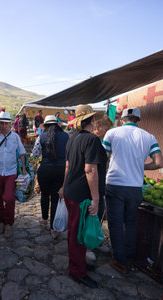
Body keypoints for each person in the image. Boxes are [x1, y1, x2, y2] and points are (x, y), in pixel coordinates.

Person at [102, 107, 163, 275]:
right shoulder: (149, 137)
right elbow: (159, 163)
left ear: (122, 119)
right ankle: (129, 258)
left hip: (115, 184)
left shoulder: (112, 133)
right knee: (130, 223)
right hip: (135, 188)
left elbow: (103, 157)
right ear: (138, 120)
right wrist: (141, 166)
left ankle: (120, 261)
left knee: (115, 224)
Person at [58, 104, 106, 289]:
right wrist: (95, 199)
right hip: (82, 197)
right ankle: (77, 271)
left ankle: (78, 264)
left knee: (75, 232)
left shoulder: (73, 138)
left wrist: (63, 186)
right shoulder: (92, 140)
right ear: (92, 120)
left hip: (71, 191)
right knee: (78, 235)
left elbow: (68, 166)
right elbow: (90, 169)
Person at [31, 115, 69, 239]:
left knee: (44, 195)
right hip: (61, 171)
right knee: (55, 199)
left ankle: (44, 219)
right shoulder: (66, 136)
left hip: (45, 170)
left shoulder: (41, 137)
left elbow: (35, 155)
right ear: (58, 125)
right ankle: (53, 229)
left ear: (45, 126)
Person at [85, 115, 114, 262]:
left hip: (100, 183)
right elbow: (90, 169)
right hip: (93, 186)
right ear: (98, 127)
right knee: (92, 215)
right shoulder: (93, 141)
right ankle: (88, 247)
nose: (107, 132)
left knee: (97, 215)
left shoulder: (99, 141)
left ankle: (96, 241)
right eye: (106, 129)